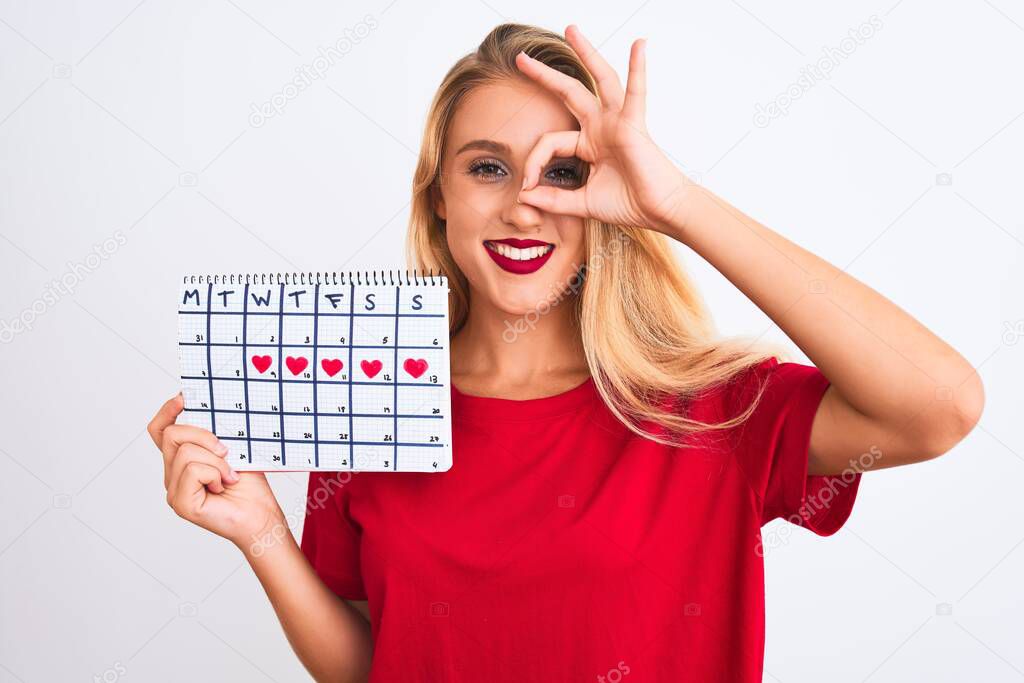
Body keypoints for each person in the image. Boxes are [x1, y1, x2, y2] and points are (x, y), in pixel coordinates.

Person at [147, 22, 984, 682]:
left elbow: (939, 405)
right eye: (486, 168)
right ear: (439, 195)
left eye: (565, 172)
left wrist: (677, 203)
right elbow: (379, 667)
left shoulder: (709, 410)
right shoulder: (370, 404)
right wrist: (261, 535)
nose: (523, 206)